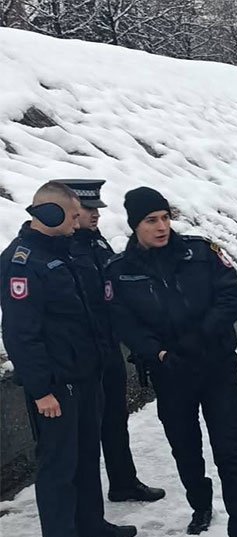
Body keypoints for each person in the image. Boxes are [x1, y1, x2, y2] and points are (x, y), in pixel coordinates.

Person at [107, 187, 237, 537]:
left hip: (217, 368)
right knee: (185, 448)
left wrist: (197, 339)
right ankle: (200, 503)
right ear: (135, 225)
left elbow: (232, 298)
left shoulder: (201, 252)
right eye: (151, 221)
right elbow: (124, 322)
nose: (161, 227)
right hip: (171, 374)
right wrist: (157, 354)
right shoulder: (120, 270)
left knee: (230, 454)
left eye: (164, 217)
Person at [1, 181, 137, 537]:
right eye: (74, 215)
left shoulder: (63, 252)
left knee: (84, 452)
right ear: (51, 214)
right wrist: (42, 389)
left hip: (84, 373)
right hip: (56, 384)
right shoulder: (23, 263)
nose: (81, 223)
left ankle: (90, 524)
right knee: (59, 462)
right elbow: (20, 333)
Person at [61, 178, 165, 504]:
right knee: (86, 430)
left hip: (108, 346)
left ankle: (123, 481)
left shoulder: (95, 243)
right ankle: (83, 507)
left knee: (116, 418)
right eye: (88, 209)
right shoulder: (65, 249)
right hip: (82, 352)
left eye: (97, 209)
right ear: (70, 210)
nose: (96, 215)